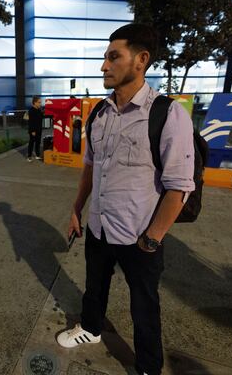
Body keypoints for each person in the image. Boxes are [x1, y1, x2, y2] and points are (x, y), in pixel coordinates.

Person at [56, 24, 195, 375]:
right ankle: (90, 328)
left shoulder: (167, 114)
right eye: (105, 57)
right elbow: (91, 166)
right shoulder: (99, 114)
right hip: (100, 226)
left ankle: (148, 365)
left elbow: (179, 186)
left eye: (113, 56)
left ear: (141, 60)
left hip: (140, 235)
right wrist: (76, 208)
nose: (104, 65)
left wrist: (153, 238)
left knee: (144, 305)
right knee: (94, 285)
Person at [27, 96, 43, 162]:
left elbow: (42, 116)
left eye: (40, 102)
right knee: (31, 143)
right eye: (39, 102)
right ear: (35, 103)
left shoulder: (39, 110)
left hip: (39, 129)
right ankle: (29, 156)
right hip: (33, 130)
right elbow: (30, 122)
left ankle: (37, 155)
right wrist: (32, 131)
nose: (40, 104)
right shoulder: (31, 111)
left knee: (38, 142)